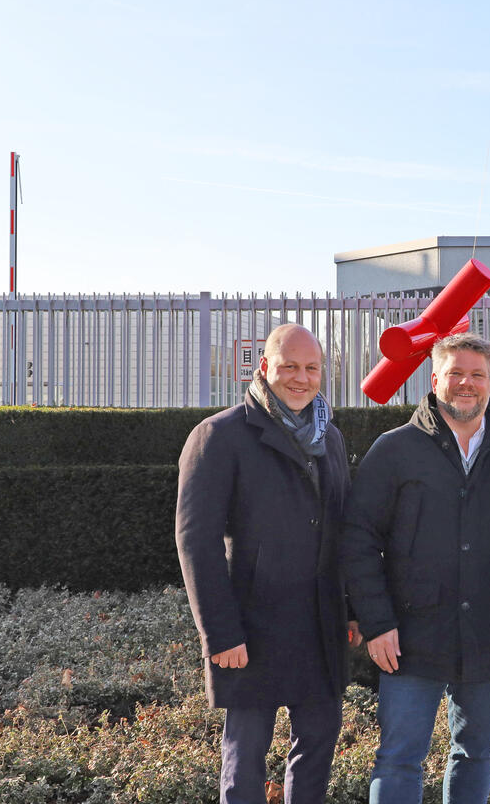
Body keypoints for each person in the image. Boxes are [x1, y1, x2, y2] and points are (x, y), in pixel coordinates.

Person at [342, 333, 490, 804]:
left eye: (477, 375)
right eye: (456, 374)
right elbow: (358, 540)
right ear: (435, 378)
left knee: (477, 752)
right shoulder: (394, 449)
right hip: (408, 635)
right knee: (400, 756)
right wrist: (377, 622)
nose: (467, 384)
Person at [176, 323, 355, 804]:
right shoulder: (219, 436)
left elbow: (344, 531)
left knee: (317, 753)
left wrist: (353, 610)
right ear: (264, 368)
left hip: (321, 624)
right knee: (245, 765)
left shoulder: (331, 438)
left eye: (312, 368)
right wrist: (220, 632)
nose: (302, 378)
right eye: (290, 366)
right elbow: (196, 540)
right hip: (251, 628)